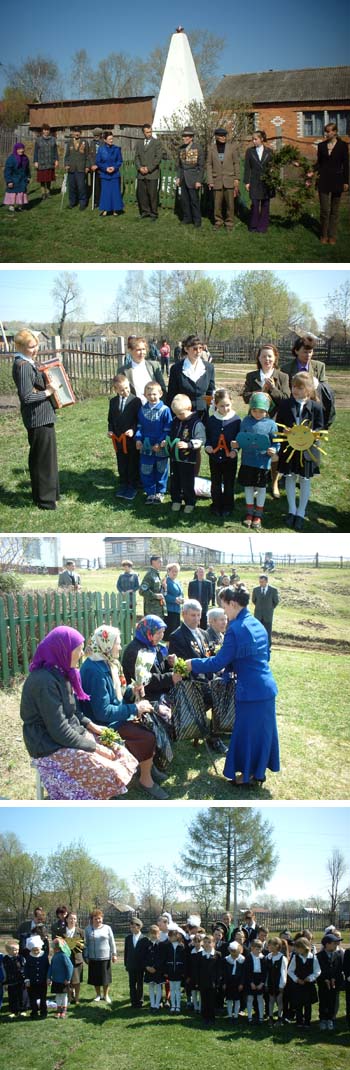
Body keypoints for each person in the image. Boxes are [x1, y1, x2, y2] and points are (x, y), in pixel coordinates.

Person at [20, 625, 138, 799]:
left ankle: (103, 793)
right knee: (107, 768)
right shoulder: (44, 682)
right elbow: (60, 731)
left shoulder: (61, 673)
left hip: (66, 735)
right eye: (78, 650)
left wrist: (92, 726)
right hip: (48, 745)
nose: (82, 654)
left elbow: (72, 711)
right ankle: (95, 796)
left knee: (118, 751)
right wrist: (95, 748)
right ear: (63, 650)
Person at [186, 584, 279, 787]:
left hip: (251, 692)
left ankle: (246, 777)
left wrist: (192, 664)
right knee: (261, 734)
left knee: (247, 736)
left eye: (225, 607)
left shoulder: (235, 628)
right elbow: (264, 655)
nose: (225, 612)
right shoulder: (255, 623)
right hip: (266, 687)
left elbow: (218, 662)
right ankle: (257, 773)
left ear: (233, 604)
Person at [79, 624, 166, 800]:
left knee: (152, 724)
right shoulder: (94, 671)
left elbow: (121, 690)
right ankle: (145, 779)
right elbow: (102, 712)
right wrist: (135, 708)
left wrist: (134, 690)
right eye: (117, 643)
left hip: (114, 717)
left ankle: (145, 765)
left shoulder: (110, 662)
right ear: (107, 645)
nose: (120, 646)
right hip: (100, 725)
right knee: (146, 736)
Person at [12, 328, 58, 510]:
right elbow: (27, 397)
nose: (35, 349)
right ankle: (45, 501)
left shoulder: (28, 362)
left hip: (44, 416)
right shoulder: (22, 366)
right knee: (42, 461)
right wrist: (48, 392)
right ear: (21, 347)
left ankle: (48, 495)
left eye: (36, 345)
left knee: (47, 459)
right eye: (31, 347)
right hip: (37, 418)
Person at [276, 371, 324, 530]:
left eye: (300, 387)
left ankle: (301, 513)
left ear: (309, 389)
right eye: (293, 386)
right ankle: (292, 510)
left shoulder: (316, 407)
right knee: (289, 478)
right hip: (289, 448)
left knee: (304, 480)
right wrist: (284, 431)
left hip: (308, 450)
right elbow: (278, 425)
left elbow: (320, 427)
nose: (295, 390)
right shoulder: (285, 404)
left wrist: (313, 434)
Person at [242, 344, 290, 497]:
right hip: (255, 421)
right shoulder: (252, 376)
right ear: (259, 358)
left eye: (270, 356)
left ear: (275, 357)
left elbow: (287, 400)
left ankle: (274, 482)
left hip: (275, 421)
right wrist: (262, 389)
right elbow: (245, 397)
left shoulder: (283, 376)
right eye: (263, 356)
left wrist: (273, 389)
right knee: (256, 449)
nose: (267, 359)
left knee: (273, 452)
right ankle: (256, 481)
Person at [237, 391, 279, 530]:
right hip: (247, 461)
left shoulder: (271, 424)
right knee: (248, 486)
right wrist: (237, 444)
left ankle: (259, 514)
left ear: (267, 411)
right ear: (251, 409)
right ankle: (249, 512)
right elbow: (241, 438)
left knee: (261, 488)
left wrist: (274, 449)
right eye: (255, 410)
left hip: (263, 463)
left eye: (261, 411)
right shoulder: (246, 421)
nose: (257, 414)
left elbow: (276, 442)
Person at [122, 615, 181, 706]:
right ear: (148, 633)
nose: (161, 636)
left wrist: (170, 664)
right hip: (142, 698)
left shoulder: (155, 646)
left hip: (159, 693)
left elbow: (160, 670)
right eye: (158, 633)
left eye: (163, 632)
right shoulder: (135, 651)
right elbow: (144, 680)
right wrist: (170, 677)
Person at [281, 335, 335, 430]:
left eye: (310, 352)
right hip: (294, 406)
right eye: (305, 352)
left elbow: (325, 388)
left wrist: (317, 384)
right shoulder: (286, 368)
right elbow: (285, 389)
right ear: (296, 351)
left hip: (312, 406)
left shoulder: (319, 366)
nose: (308, 355)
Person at [135, 380, 172, 504]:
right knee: (146, 469)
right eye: (149, 394)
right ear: (145, 395)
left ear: (160, 394)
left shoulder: (165, 410)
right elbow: (139, 427)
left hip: (160, 446)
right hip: (146, 446)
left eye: (155, 394)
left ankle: (160, 492)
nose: (152, 397)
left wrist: (161, 442)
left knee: (161, 469)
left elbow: (168, 428)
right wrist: (138, 439)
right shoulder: (142, 410)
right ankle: (150, 493)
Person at [205, 387, 241, 516]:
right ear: (216, 405)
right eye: (221, 406)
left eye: (227, 405)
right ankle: (216, 504)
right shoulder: (211, 420)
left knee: (229, 482)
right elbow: (207, 437)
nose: (225, 409)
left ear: (231, 402)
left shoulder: (236, 420)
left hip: (230, 458)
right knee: (215, 482)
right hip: (214, 457)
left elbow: (239, 438)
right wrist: (207, 446)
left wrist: (235, 450)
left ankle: (228, 506)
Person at [168, 393, 206, 514]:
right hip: (175, 458)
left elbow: (201, 440)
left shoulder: (196, 423)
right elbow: (171, 434)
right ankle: (176, 500)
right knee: (175, 479)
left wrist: (188, 445)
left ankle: (189, 501)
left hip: (188, 459)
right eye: (176, 414)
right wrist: (166, 441)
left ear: (189, 409)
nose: (178, 416)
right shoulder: (176, 420)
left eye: (180, 414)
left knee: (187, 481)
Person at [313, 122, 349, 244]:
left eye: (329, 131)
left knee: (335, 210)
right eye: (326, 131)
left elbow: (346, 165)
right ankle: (323, 234)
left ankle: (332, 235)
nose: (327, 133)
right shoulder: (321, 146)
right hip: (323, 180)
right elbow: (319, 163)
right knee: (324, 209)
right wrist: (311, 170)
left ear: (335, 132)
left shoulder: (343, 146)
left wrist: (346, 181)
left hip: (338, 180)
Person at [108, 371, 141, 500]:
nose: (125, 391)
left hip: (131, 439)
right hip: (118, 440)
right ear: (115, 390)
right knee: (121, 461)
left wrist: (133, 430)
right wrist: (110, 430)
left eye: (127, 388)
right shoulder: (113, 402)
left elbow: (138, 420)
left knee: (132, 462)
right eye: (121, 390)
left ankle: (133, 485)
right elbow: (110, 419)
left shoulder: (136, 401)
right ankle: (123, 483)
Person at [167, 335, 215, 421]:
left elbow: (210, 391)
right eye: (195, 348)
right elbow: (172, 393)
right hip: (183, 413)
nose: (199, 351)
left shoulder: (209, 367)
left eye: (201, 348)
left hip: (202, 413)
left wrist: (207, 407)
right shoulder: (176, 368)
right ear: (186, 349)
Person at [206, 127, 240, 230]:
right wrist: (210, 180)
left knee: (230, 204)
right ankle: (218, 221)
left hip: (229, 179)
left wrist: (236, 178)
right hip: (216, 180)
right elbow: (208, 165)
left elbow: (236, 163)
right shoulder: (211, 148)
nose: (223, 137)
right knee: (217, 204)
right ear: (216, 136)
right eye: (221, 136)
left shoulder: (232, 147)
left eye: (224, 135)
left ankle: (229, 223)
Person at [244, 130, 274, 233]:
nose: (253, 141)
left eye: (255, 139)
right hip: (254, 181)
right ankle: (253, 226)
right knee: (255, 204)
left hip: (267, 182)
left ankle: (262, 227)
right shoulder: (249, 151)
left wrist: (273, 177)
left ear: (261, 139)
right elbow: (247, 168)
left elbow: (273, 167)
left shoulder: (270, 152)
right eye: (252, 139)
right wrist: (247, 182)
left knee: (265, 205)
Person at [118, 337, 166, 401]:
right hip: (135, 408)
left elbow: (162, 388)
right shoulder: (123, 371)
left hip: (154, 407)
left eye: (143, 349)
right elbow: (121, 394)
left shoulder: (154, 366)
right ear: (130, 350)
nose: (142, 352)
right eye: (138, 350)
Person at [84, 910, 117, 1004]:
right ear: (92, 919)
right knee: (95, 978)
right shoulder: (88, 929)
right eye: (96, 919)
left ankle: (106, 995)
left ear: (102, 918)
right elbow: (85, 944)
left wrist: (114, 954)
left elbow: (112, 941)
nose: (98, 920)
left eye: (99, 918)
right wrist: (86, 955)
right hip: (93, 958)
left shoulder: (107, 928)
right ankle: (98, 995)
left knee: (105, 978)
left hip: (105, 957)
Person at [287, 937, 321, 1028]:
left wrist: (310, 978)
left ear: (304, 947)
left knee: (307, 1005)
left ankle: (307, 1021)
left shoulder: (313, 957)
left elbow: (317, 971)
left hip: (308, 985)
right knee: (298, 1004)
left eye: (298, 948)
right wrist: (296, 979)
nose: (296, 950)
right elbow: (290, 971)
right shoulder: (295, 957)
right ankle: (299, 1021)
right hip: (298, 985)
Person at [176, 126, 204, 227]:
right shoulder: (181, 149)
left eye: (187, 136)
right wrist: (178, 177)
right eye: (183, 136)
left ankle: (197, 221)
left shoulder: (198, 148)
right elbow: (179, 166)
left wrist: (198, 180)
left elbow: (201, 167)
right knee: (184, 200)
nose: (184, 138)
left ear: (191, 137)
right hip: (183, 178)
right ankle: (187, 218)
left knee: (194, 201)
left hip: (193, 179)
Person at [135, 123, 163, 221]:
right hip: (141, 174)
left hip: (152, 174)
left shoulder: (157, 143)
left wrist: (148, 168)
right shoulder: (139, 143)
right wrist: (140, 168)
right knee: (142, 194)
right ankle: (144, 212)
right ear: (143, 133)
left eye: (150, 131)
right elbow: (136, 157)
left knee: (152, 195)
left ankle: (154, 213)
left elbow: (158, 158)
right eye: (147, 132)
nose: (149, 134)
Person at [317, 931, 343, 1031]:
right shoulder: (319, 956)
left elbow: (339, 970)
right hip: (323, 984)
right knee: (323, 1001)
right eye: (334, 943)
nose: (336, 944)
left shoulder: (338, 955)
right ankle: (323, 1019)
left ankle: (330, 1019)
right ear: (327, 944)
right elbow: (318, 971)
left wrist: (335, 979)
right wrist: (325, 979)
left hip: (334, 984)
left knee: (332, 1001)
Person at [96, 131, 124, 218]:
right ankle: (105, 210)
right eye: (109, 139)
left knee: (115, 192)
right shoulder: (101, 150)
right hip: (105, 175)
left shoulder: (117, 149)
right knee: (105, 193)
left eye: (112, 139)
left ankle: (116, 209)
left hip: (115, 174)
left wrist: (114, 167)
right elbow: (98, 162)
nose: (111, 140)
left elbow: (120, 161)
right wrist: (105, 168)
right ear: (105, 140)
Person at [197, 933, 222, 1027]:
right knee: (204, 1000)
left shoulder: (217, 954)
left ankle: (211, 1018)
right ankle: (205, 1017)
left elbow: (219, 969)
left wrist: (217, 981)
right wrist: (197, 981)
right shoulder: (200, 954)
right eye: (205, 942)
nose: (207, 944)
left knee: (211, 1001)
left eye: (209, 942)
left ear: (213, 943)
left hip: (212, 982)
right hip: (203, 981)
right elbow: (198, 969)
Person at [64, 127, 92, 210]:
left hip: (81, 168)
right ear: (72, 133)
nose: (76, 134)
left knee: (81, 187)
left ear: (81, 133)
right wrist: (66, 164)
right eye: (75, 132)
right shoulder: (69, 143)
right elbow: (67, 156)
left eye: (78, 132)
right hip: (71, 168)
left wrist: (87, 166)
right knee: (72, 187)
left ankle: (83, 203)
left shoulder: (85, 142)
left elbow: (88, 156)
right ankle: (72, 202)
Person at [124, 918, 149, 1008]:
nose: (132, 929)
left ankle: (140, 1000)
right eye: (131, 927)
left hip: (140, 966)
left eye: (134, 927)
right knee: (131, 984)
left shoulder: (145, 939)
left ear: (139, 927)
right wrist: (126, 964)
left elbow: (147, 954)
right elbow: (126, 952)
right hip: (131, 965)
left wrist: (145, 965)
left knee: (140, 983)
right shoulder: (128, 938)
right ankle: (133, 1001)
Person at [48, 938, 74, 1019]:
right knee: (58, 995)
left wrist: (68, 978)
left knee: (63, 995)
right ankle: (58, 1010)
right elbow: (51, 967)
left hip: (63, 981)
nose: (53, 948)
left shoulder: (63, 955)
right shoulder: (55, 956)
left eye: (55, 946)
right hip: (56, 980)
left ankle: (64, 1010)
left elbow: (70, 967)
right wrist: (49, 977)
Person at [24, 935, 49, 1019]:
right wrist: (27, 980)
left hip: (42, 981)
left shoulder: (44, 956)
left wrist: (48, 978)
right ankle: (34, 1012)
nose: (35, 952)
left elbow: (47, 968)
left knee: (43, 997)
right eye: (33, 950)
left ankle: (43, 1011)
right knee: (32, 998)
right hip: (32, 982)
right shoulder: (29, 957)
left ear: (40, 948)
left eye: (37, 950)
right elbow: (26, 969)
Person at [252, 574, 279, 649]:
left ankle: (268, 647)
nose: (261, 583)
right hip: (258, 615)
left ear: (266, 581)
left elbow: (276, 602)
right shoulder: (256, 590)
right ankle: (257, 645)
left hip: (268, 615)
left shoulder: (273, 590)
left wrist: (269, 608)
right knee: (257, 631)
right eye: (260, 582)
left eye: (262, 582)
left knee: (268, 631)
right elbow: (254, 600)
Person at [244, 939, 268, 1022]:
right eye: (256, 949)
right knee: (250, 998)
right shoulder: (248, 957)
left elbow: (265, 972)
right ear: (252, 948)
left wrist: (262, 983)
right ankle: (249, 1017)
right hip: (251, 980)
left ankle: (261, 1017)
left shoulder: (263, 958)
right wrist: (251, 983)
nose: (258, 950)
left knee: (260, 999)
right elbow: (246, 972)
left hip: (260, 980)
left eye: (260, 948)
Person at [3, 941, 29, 1017]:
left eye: (17, 949)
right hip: (11, 981)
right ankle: (14, 1011)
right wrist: (5, 982)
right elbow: (4, 970)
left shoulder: (21, 958)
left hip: (21, 980)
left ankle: (23, 1010)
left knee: (22, 995)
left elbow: (25, 968)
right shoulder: (5, 959)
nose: (16, 951)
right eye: (14, 950)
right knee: (12, 996)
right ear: (8, 951)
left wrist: (26, 978)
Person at [163, 928, 186, 1013]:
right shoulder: (167, 946)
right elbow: (165, 959)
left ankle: (178, 1006)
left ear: (176, 936)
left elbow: (184, 960)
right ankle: (173, 1006)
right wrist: (166, 971)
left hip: (179, 971)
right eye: (169, 936)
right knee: (172, 989)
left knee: (178, 989)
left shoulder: (181, 946)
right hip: (170, 971)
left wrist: (183, 972)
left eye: (171, 936)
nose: (170, 938)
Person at [265, 937, 288, 1023]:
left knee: (279, 1001)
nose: (269, 946)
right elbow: (267, 972)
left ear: (277, 946)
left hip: (279, 983)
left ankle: (279, 1017)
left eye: (270, 945)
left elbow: (283, 972)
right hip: (271, 982)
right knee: (271, 1000)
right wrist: (266, 983)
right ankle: (270, 1017)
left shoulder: (282, 958)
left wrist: (282, 985)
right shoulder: (268, 957)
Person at [64, 911, 85, 1004]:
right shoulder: (62, 931)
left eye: (74, 919)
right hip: (65, 959)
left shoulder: (80, 931)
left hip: (77, 959)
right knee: (67, 980)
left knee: (77, 981)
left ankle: (76, 998)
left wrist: (78, 944)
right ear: (66, 919)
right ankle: (69, 997)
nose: (72, 920)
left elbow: (84, 945)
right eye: (71, 918)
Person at [3, 142, 30, 212]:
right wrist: (9, 181)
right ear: (16, 149)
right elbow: (7, 171)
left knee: (21, 193)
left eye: (22, 148)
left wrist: (28, 177)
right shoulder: (11, 158)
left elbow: (27, 169)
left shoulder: (25, 158)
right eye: (19, 149)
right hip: (13, 179)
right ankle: (11, 206)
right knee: (12, 193)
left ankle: (20, 206)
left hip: (22, 179)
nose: (21, 150)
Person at [33, 124, 58, 199]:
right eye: (45, 130)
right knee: (42, 179)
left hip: (50, 162)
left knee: (49, 178)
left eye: (47, 130)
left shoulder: (53, 139)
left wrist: (56, 160)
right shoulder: (38, 140)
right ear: (42, 131)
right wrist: (35, 161)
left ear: (49, 131)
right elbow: (35, 152)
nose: (46, 131)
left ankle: (48, 192)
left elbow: (55, 151)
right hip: (41, 162)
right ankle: (43, 193)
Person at [223, 941, 245, 1020]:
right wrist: (224, 983)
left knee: (237, 999)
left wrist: (241, 983)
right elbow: (225, 973)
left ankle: (235, 1015)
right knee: (229, 999)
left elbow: (243, 973)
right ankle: (229, 1015)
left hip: (238, 982)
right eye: (231, 951)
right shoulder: (227, 959)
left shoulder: (242, 960)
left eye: (235, 951)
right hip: (229, 981)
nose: (233, 953)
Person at [162, 562, 184, 639]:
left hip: (177, 610)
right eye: (173, 571)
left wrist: (181, 599)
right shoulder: (165, 581)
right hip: (169, 610)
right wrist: (174, 599)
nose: (175, 573)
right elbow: (164, 595)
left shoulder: (177, 581)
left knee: (176, 631)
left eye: (176, 571)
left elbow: (181, 593)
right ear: (168, 571)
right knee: (170, 632)